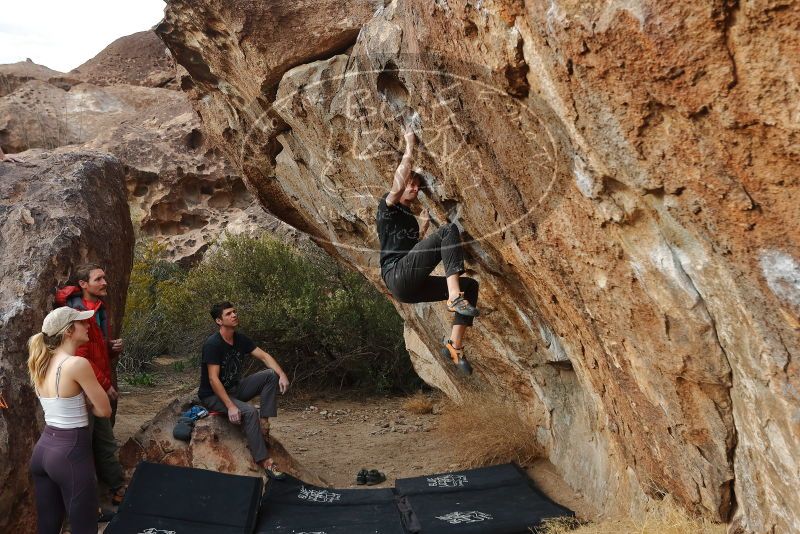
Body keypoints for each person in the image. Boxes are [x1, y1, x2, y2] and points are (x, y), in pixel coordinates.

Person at [376, 125, 480, 375]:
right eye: (411, 184)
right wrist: (409, 146)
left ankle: (454, 345)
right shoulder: (387, 207)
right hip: (395, 275)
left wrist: (421, 230)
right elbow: (399, 179)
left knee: (472, 286)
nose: (413, 188)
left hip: (408, 286)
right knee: (447, 231)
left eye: (417, 186)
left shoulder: (409, 219)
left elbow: (413, 252)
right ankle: (454, 297)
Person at [28, 307, 112, 534]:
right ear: (68, 331)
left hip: (44, 450)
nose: (88, 326)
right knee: (84, 527)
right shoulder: (77, 364)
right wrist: (88, 405)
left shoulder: (41, 362)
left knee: (47, 525)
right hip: (70, 452)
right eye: (81, 323)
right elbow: (104, 410)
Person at [55, 263, 126, 505]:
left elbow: (95, 351)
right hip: (84, 391)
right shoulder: (78, 314)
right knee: (83, 449)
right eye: (99, 279)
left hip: (95, 385)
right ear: (84, 284)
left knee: (105, 442)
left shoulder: (99, 309)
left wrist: (111, 349)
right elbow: (80, 356)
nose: (105, 282)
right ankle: (85, 505)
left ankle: (117, 488)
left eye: (104, 277)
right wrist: (105, 385)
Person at [198, 302, 291, 479]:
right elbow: (213, 379)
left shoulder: (240, 339)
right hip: (213, 395)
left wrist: (282, 374)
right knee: (248, 412)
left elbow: (264, 356)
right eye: (228, 314)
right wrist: (231, 406)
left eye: (234, 312)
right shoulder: (212, 344)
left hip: (234, 389)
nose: (234, 315)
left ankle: (264, 423)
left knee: (270, 375)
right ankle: (264, 461)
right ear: (219, 320)